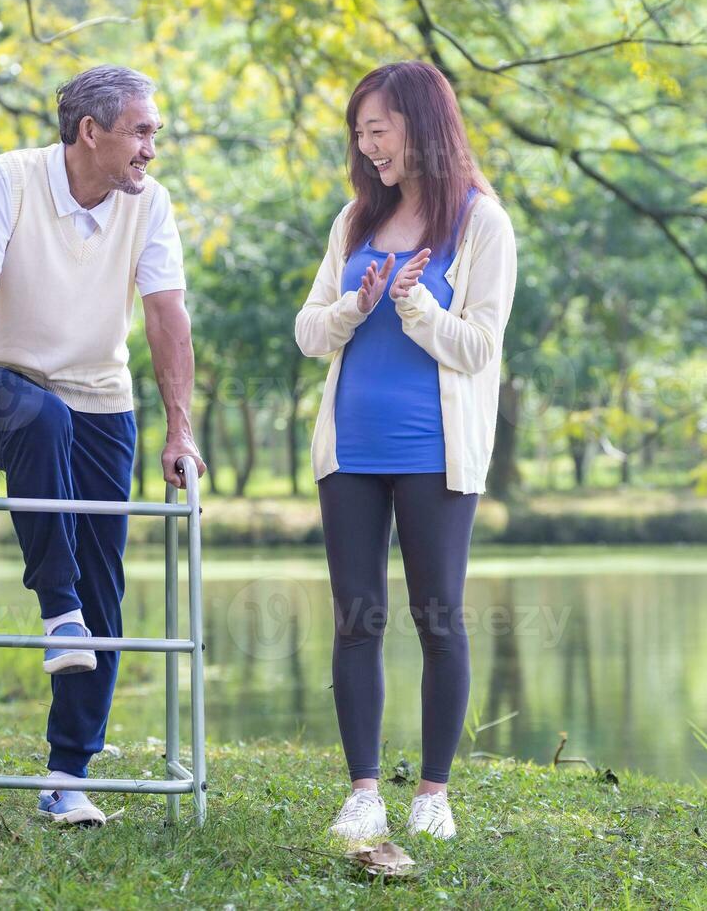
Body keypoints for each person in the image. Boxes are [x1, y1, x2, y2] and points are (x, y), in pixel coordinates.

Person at [0, 64, 205, 827]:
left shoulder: (152, 207)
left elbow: (167, 319)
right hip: (3, 385)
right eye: (141, 131)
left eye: (154, 133)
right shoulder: (8, 181)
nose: (152, 148)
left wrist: (181, 431)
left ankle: (66, 775)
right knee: (43, 421)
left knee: (107, 588)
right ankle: (57, 613)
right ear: (91, 132)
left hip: (102, 395)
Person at [294, 61, 518, 841]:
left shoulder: (482, 223)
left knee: (437, 618)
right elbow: (308, 329)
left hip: (436, 451)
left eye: (378, 129)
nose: (367, 145)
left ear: (420, 125)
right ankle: (362, 792)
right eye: (360, 132)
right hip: (350, 447)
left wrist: (417, 306)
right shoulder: (355, 220)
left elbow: (480, 348)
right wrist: (355, 305)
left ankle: (433, 795)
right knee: (357, 617)